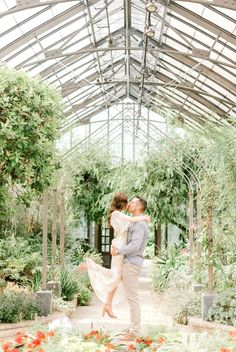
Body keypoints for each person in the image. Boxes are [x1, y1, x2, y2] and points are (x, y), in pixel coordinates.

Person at [80, 192, 149, 318]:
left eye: (131, 202)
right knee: (115, 276)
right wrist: (144, 217)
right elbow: (132, 220)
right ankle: (89, 266)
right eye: (128, 201)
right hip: (119, 247)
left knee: (117, 278)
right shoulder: (117, 214)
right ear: (121, 203)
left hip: (121, 246)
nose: (129, 204)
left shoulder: (121, 215)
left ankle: (108, 304)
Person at [111, 196, 148, 340]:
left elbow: (135, 246)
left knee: (132, 298)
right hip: (130, 262)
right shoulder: (136, 222)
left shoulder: (139, 224)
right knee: (131, 297)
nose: (129, 204)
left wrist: (119, 251)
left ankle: (135, 332)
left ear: (139, 206)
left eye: (132, 202)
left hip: (132, 264)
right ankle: (133, 328)